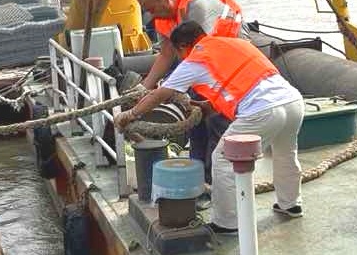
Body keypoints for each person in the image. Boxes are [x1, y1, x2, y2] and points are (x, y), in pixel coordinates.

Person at [116, 20, 304, 234]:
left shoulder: (196, 58)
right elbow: (243, 82)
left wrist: (130, 114)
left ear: (183, 47)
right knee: (285, 153)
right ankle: (291, 204)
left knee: (222, 159)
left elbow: (161, 93)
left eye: (178, 54)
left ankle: (227, 222)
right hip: (292, 101)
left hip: (261, 110)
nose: (180, 58)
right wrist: (208, 106)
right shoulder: (235, 44)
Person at [136, 0, 246, 198]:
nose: (151, 14)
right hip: (204, 65)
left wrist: (162, 92)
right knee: (195, 121)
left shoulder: (198, 5)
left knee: (217, 122)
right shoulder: (164, 16)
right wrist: (144, 88)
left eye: (151, 8)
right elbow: (166, 54)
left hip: (228, 63)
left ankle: (216, 186)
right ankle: (199, 181)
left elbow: (201, 51)